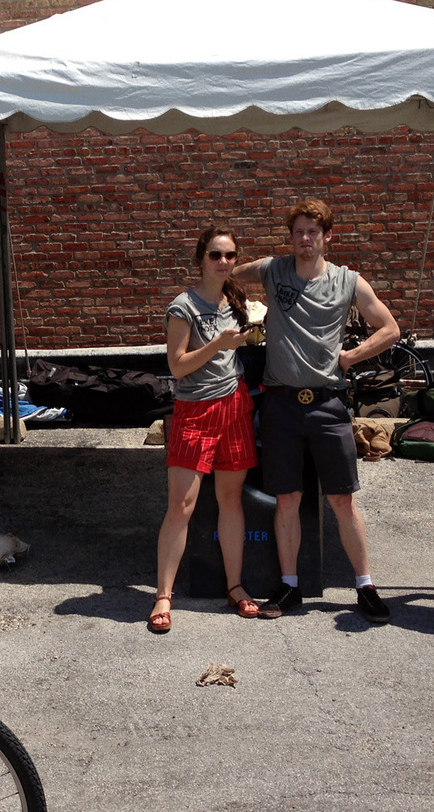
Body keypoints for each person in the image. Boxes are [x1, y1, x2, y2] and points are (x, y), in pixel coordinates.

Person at [234, 198, 399, 624]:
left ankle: (365, 586)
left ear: (328, 237)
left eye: (314, 231)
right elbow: (227, 275)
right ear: (289, 238)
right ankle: (290, 586)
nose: (306, 239)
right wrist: (242, 315)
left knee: (343, 499)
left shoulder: (348, 281)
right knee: (286, 499)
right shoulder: (272, 269)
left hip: (328, 403)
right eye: (299, 231)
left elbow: (390, 328)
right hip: (281, 405)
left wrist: (351, 356)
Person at [149, 226, 260, 634]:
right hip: (195, 409)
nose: (224, 262)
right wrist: (220, 344)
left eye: (230, 255)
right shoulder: (183, 307)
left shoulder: (238, 300)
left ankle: (235, 586)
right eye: (215, 255)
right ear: (200, 260)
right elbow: (177, 366)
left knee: (231, 500)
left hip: (233, 405)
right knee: (181, 505)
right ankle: (163, 595)